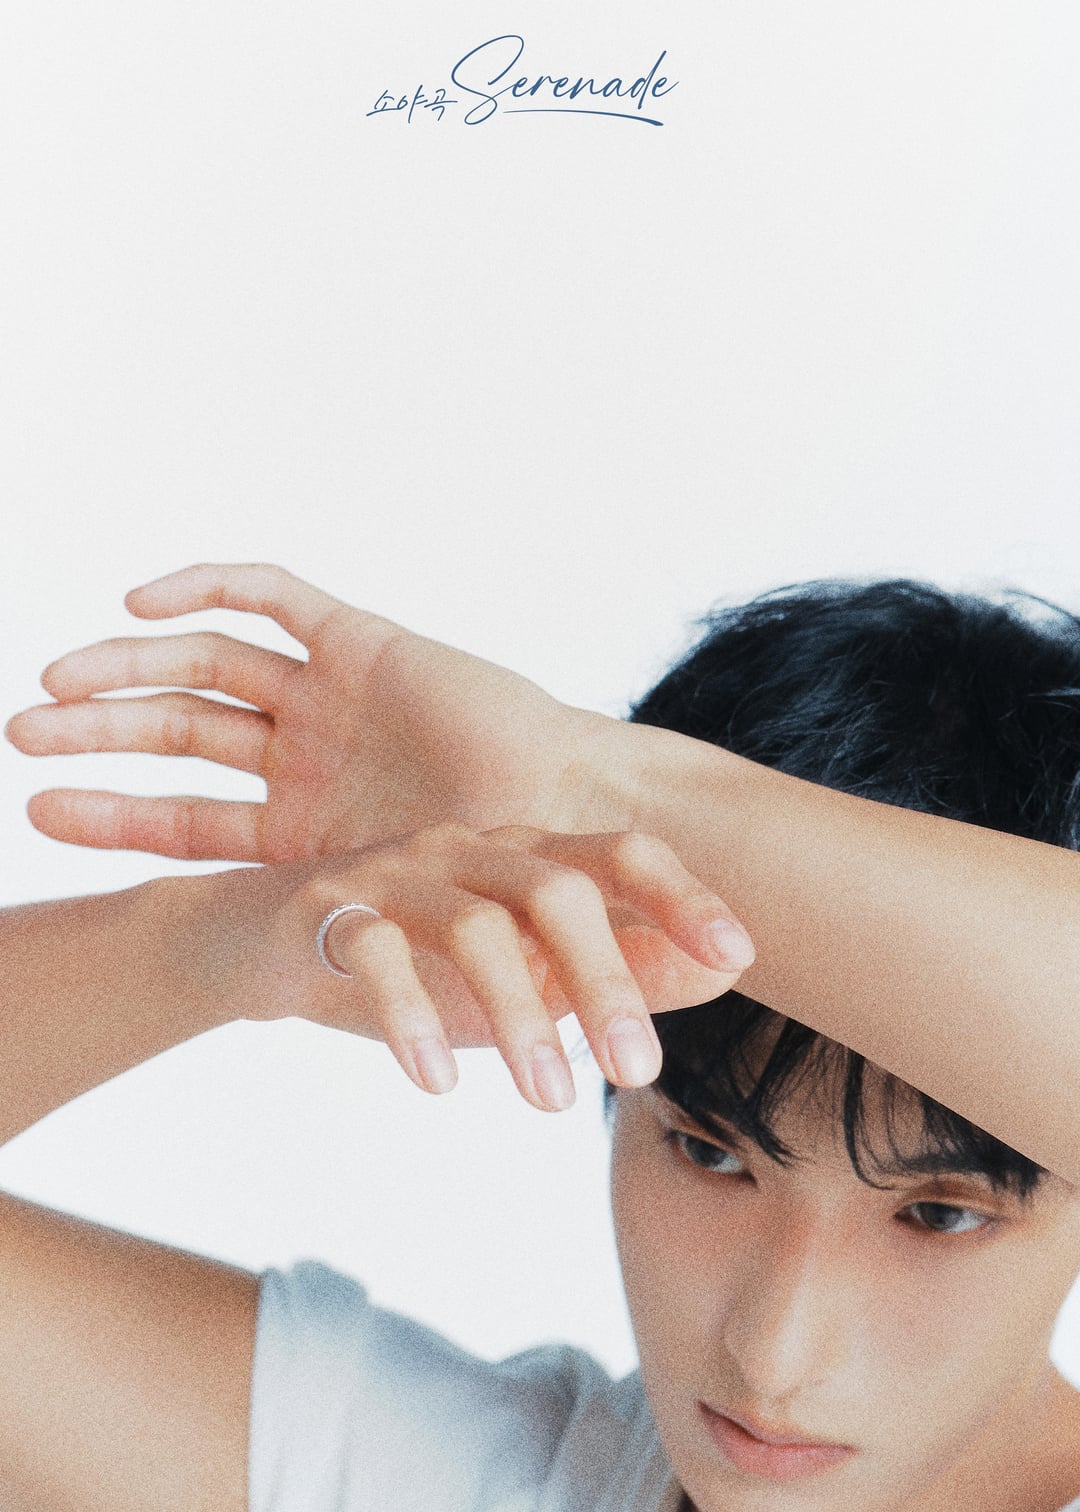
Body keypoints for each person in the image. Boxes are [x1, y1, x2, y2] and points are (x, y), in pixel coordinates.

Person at [3, 561, 1080, 1511]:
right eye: (709, 1153)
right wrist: (220, 947)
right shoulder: (448, 1476)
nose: (773, 1355)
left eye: (941, 1214)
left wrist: (592, 790)